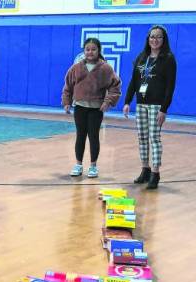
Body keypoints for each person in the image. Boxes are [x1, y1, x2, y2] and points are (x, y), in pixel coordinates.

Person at [123, 25, 177, 190]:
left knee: (154, 138)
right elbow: (134, 81)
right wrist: (127, 101)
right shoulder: (142, 57)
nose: (155, 40)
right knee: (142, 138)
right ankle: (145, 170)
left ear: (163, 39)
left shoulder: (168, 58)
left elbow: (170, 86)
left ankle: (155, 173)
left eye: (158, 37)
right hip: (141, 104)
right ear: (148, 39)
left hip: (156, 105)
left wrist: (164, 109)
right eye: (152, 37)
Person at [61, 38, 121, 178]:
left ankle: (93, 166)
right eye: (87, 49)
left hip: (96, 109)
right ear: (84, 51)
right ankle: (78, 164)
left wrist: (108, 102)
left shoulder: (105, 68)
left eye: (93, 49)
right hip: (80, 108)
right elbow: (68, 86)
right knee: (80, 136)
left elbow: (115, 86)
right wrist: (66, 102)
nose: (90, 52)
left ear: (98, 51)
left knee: (94, 137)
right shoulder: (76, 68)